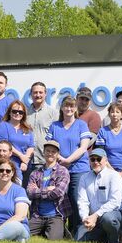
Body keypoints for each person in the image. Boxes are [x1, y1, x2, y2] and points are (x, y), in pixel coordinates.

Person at [46, 96, 93, 233]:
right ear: (61, 108)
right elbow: (50, 146)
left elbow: (83, 147)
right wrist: (61, 159)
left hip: (79, 169)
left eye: (72, 106)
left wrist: (68, 160)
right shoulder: (55, 126)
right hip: (59, 169)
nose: (69, 108)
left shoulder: (81, 124)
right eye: (66, 106)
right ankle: (60, 229)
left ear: (76, 108)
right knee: (59, 198)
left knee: (77, 198)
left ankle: (78, 230)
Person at [76, 149, 122, 243]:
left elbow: (115, 202)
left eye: (99, 159)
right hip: (93, 218)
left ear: (106, 160)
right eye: (92, 159)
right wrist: (86, 218)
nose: (96, 162)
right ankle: (102, 238)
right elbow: (82, 201)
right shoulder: (84, 178)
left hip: (113, 214)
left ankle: (115, 242)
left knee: (108, 219)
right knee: (79, 241)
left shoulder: (114, 176)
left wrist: (95, 215)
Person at [27, 140, 71, 240]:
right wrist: (47, 189)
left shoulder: (63, 171)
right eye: (47, 151)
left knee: (54, 239)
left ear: (58, 154)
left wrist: (38, 190)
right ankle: (43, 229)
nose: (50, 153)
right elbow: (30, 193)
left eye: (53, 151)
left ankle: (57, 229)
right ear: (44, 152)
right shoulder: (35, 173)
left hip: (56, 215)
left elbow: (58, 192)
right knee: (22, 232)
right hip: (37, 215)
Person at [95, 103, 122, 202]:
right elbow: (101, 154)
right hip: (107, 172)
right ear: (109, 114)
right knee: (109, 201)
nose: (114, 114)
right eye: (112, 111)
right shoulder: (102, 131)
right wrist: (113, 172)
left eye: (117, 112)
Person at [0, 100, 34, 183]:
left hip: (26, 165)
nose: (17, 114)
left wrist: (25, 161)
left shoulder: (27, 129)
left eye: (20, 112)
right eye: (14, 111)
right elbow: (5, 145)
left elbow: (31, 146)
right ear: (9, 112)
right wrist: (21, 156)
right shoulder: (3, 126)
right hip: (9, 165)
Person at [26, 81, 57, 179]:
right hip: (26, 160)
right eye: (35, 92)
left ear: (45, 93)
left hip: (44, 161)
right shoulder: (24, 113)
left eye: (40, 92)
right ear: (31, 94)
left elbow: (56, 137)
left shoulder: (53, 113)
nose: (38, 95)